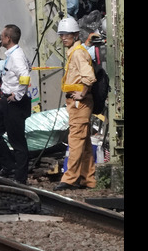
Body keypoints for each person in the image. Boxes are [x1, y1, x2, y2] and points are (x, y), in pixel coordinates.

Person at [54, 17, 97, 191]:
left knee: (75, 140)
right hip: (76, 102)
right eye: (62, 35)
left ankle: (70, 179)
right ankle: (89, 179)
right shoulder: (74, 51)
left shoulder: (78, 53)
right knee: (84, 142)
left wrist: (83, 93)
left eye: (67, 35)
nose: (64, 38)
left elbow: (89, 77)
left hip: (80, 103)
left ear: (76, 34)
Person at [0, 25, 32, 184]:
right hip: (5, 100)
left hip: (15, 103)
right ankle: (8, 165)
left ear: (8, 39)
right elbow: (28, 68)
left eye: (3, 36)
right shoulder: (13, 55)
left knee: (17, 140)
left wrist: (18, 94)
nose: (1, 39)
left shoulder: (16, 56)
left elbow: (25, 75)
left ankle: (20, 177)